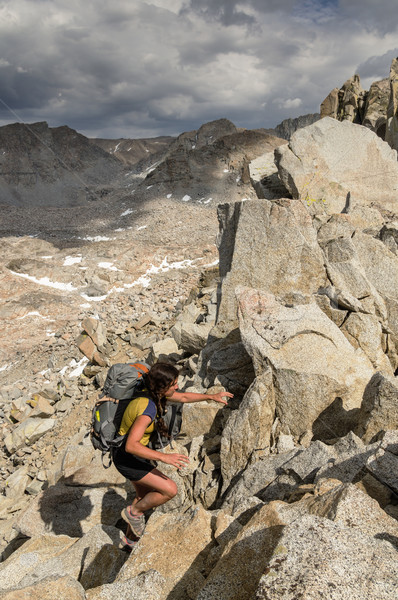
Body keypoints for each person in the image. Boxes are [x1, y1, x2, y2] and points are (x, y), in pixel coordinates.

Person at [113, 361, 233, 549]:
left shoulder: (152, 393)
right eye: (173, 384)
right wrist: (164, 457)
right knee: (169, 489)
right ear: (162, 387)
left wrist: (211, 396)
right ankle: (133, 512)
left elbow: (184, 396)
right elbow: (131, 445)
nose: (177, 386)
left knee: (143, 495)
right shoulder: (148, 408)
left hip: (131, 457)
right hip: (128, 459)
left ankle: (130, 541)